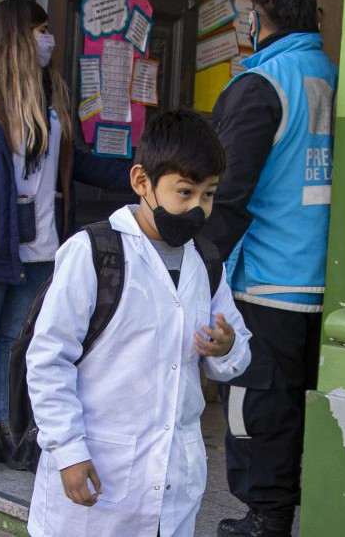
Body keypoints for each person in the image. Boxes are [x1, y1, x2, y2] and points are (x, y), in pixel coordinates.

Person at [0, 0, 129, 473]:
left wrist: (138, 173)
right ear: (18, 33)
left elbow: (78, 164)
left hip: (41, 242)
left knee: (18, 340)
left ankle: (9, 433)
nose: (48, 38)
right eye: (40, 29)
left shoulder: (51, 91)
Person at [25, 110, 253, 537]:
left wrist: (226, 348)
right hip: (99, 470)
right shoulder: (93, 253)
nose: (197, 208)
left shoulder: (204, 262)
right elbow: (48, 361)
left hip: (174, 478)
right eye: (184, 192)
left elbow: (236, 354)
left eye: (208, 195)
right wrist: (68, 452)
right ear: (141, 182)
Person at [203, 0, 338, 537]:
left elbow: (226, 193)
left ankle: (266, 519)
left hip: (267, 281)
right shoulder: (333, 75)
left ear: (258, 14)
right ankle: (282, 513)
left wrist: (196, 265)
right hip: (322, 280)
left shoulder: (261, 85)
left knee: (257, 410)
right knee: (298, 407)